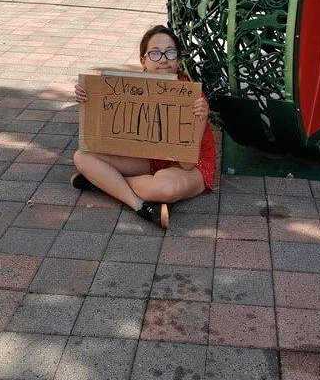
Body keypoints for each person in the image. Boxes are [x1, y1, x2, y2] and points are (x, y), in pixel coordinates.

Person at [72, 25, 217, 229]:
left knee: (166, 189)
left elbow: (185, 164)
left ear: (178, 59)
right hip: (149, 157)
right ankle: (140, 206)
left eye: (170, 52)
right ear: (143, 60)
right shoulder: (134, 89)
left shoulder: (192, 97)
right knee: (81, 156)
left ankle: (104, 182)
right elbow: (105, 123)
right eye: (155, 53)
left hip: (189, 165)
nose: (164, 59)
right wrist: (87, 96)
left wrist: (201, 117)